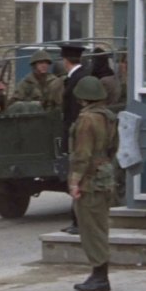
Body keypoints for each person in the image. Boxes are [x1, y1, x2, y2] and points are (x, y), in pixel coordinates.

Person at [68, 75, 118, 291]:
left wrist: (74, 181)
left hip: (90, 178)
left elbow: (81, 154)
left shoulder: (87, 119)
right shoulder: (108, 117)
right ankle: (99, 274)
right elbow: (113, 148)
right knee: (100, 226)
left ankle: (100, 276)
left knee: (90, 228)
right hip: (105, 173)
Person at [60, 42, 89, 234]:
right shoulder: (82, 77)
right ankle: (76, 220)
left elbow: (73, 111)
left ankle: (78, 222)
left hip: (78, 135)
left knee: (78, 177)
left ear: (65, 60)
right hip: (79, 133)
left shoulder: (76, 79)